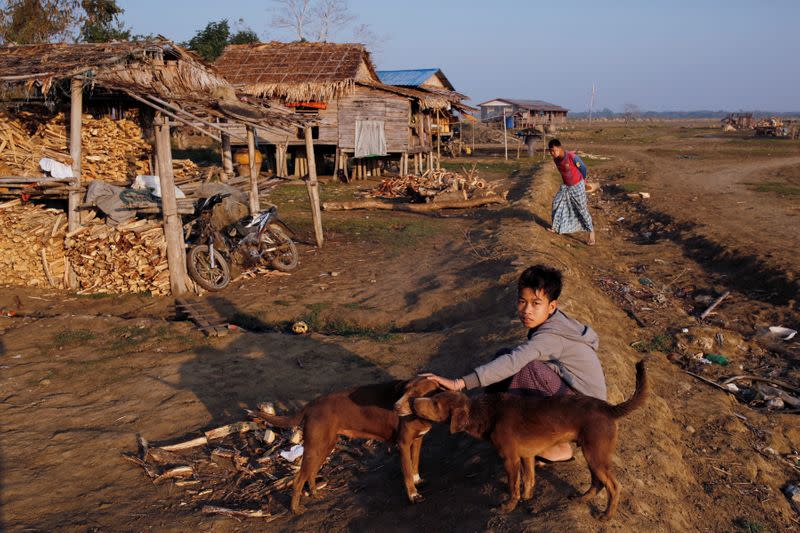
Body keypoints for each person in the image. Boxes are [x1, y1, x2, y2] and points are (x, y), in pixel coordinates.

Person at [422, 264, 607, 462]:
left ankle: (555, 447)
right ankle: (494, 422)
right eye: (522, 302)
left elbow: (515, 361)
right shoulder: (556, 320)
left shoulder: (551, 335)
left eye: (536, 303)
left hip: (587, 413)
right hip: (579, 400)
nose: (527, 310)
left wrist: (460, 383)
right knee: (505, 356)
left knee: (526, 368)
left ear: (552, 306)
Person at [547, 139, 596, 246]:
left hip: (577, 186)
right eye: (550, 151)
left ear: (559, 148)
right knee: (556, 203)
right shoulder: (556, 160)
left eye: (554, 150)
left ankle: (591, 234)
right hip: (566, 187)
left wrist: (584, 181)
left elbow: (583, 168)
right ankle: (555, 227)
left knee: (582, 209)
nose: (552, 153)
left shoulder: (571, 157)